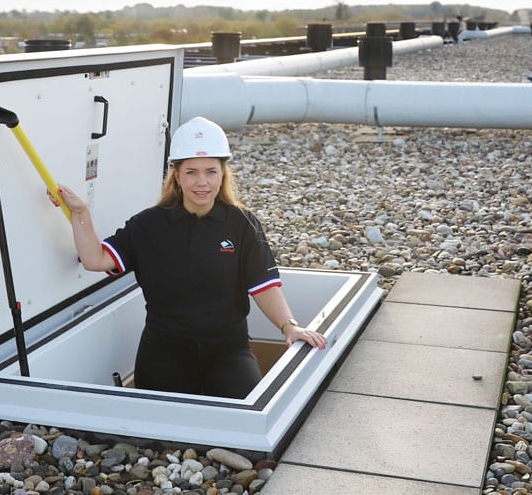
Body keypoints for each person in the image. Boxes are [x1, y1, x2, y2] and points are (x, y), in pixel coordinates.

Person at [50, 116, 327, 399]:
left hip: (228, 349)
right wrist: (81, 214)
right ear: (177, 176)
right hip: (164, 349)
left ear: (223, 174)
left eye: (211, 171)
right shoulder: (149, 225)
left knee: (246, 413)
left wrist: (288, 326)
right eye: (192, 172)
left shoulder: (241, 224)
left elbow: (264, 285)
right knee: (162, 431)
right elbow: (95, 259)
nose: (202, 182)